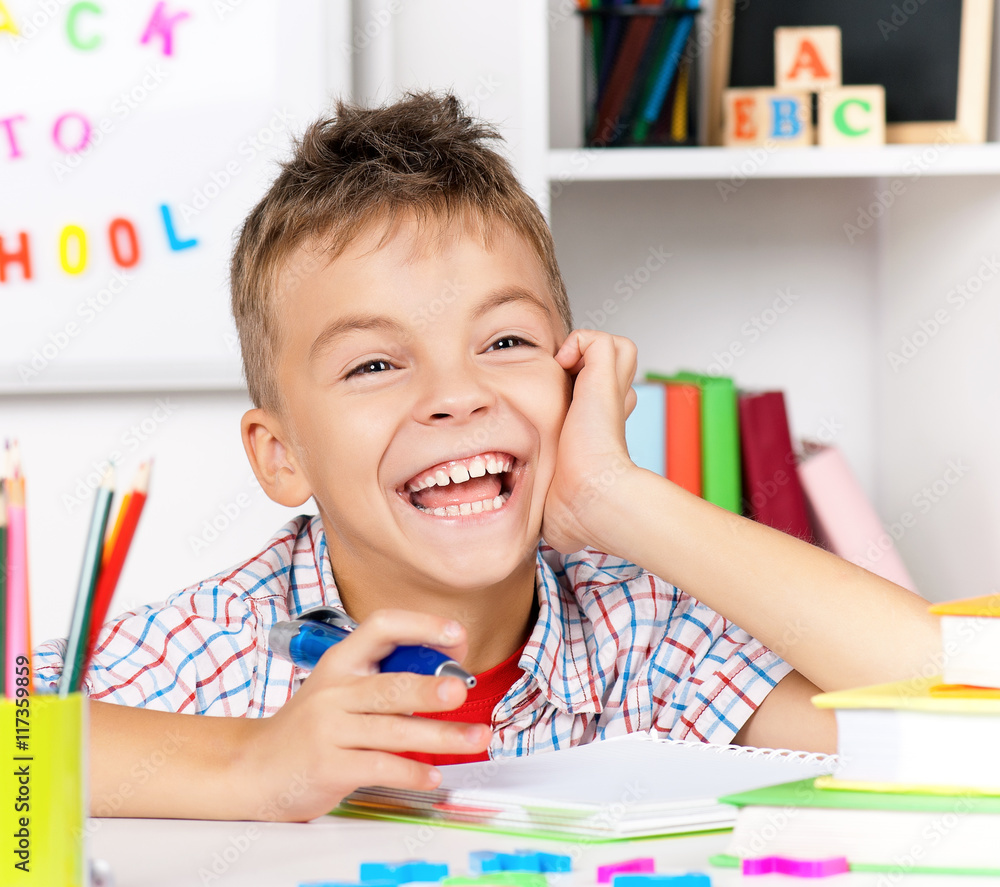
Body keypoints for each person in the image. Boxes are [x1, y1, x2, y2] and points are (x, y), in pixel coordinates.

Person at [34, 90, 940, 823]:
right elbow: (17, 748)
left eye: (505, 342)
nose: (456, 394)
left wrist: (615, 494)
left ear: (573, 374)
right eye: (375, 363)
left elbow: (962, 712)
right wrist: (253, 763)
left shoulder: (643, 637)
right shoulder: (222, 649)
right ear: (281, 457)